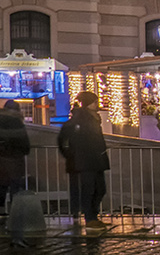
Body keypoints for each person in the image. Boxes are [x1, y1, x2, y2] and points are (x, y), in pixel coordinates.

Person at [57, 91, 111, 231]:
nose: (96, 104)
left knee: (100, 189)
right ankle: (90, 217)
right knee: (90, 189)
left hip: (95, 159)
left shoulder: (93, 119)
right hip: (86, 161)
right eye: (94, 102)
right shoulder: (80, 120)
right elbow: (63, 139)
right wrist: (71, 154)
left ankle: (93, 216)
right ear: (88, 104)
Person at [0, 102, 30, 226]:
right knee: (15, 186)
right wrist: (23, 151)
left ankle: (0, 211)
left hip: (0, 160)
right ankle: (14, 212)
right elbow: (24, 142)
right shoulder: (17, 123)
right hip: (14, 159)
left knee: (1, 185)